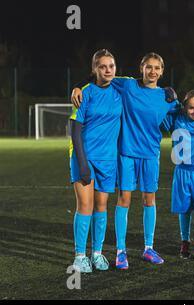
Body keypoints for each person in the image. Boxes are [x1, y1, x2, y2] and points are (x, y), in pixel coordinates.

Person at [71, 52, 179, 269]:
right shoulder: (124, 86)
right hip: (119, 154)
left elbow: (177, 119)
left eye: (157, 68)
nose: (152, 71)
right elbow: (98, 83)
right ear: (141, 68)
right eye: (148, 66)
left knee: (138, 202)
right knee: (111, 202)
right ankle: (107, 253)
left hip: (138, 156)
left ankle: (138, 249)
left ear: (162, 71)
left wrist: (174, 96)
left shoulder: (159, 97)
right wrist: (76, 86)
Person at [70, 49, 123, 273]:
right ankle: (80, 256)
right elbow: (75, 129)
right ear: (95, 70)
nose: (108, 70)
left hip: (108, 160)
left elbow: (142, 83)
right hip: (86, 157)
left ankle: (98, 253)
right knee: (85, 205)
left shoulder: (120, 92)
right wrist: (82, 162)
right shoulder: (85, 92)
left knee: (101, 207)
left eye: (111, 66)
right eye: (103, 66)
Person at [161, 90, 194, 260]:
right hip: (182, 172)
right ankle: (185, 241)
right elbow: (161, 113)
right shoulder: (177, 120)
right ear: (185, 107)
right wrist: (173, 102)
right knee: (183, 210)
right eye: (191, 107)